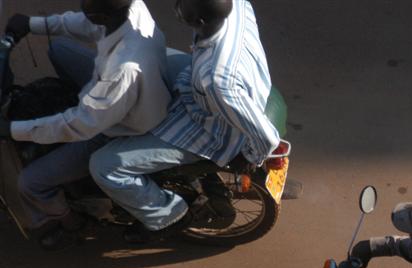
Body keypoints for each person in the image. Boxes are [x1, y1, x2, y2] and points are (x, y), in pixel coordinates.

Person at [89, 0, 280, 244]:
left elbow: (266, 136)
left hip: (211, 129)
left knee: (105, 166)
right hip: (202, 83)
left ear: (198, 21)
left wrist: (251, 158)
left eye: (181, 8)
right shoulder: (239, 5)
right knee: (136, 56)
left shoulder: (218, 80)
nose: (177, 8)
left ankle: (167, 216)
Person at [0, 0, 170, 250]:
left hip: (115, 129)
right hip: (127, 96)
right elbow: (86, 24)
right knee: (59, 48)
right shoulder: (131, 9)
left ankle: (70, 223)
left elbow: (79, 125)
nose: (83, 12)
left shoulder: (123, 70)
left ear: (99, 15)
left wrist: (13, 130)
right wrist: (33, 24)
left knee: (31, 182)